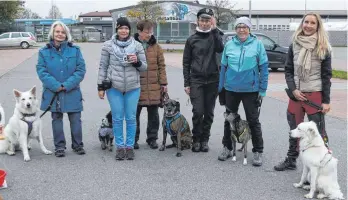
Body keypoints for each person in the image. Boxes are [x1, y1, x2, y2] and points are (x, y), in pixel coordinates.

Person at [274, 12, 332, 171]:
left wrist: (326, 101)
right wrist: (293, 89)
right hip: (296, 95)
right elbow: (288, 70)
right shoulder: (294, 44)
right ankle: (291, 159)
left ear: (318, 26)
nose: (308, 25)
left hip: (314, 94)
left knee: (318, 133)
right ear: (302, 23)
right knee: (295, 130)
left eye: (313, 23)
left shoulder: (324, 47)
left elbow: (327, 75)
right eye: (306, 22)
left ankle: (321, 165)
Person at [217, 17, 269, 167]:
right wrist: (221, 88)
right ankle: (226, 147)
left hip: (251, 89)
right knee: (229, 120)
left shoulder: (258, 44)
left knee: (253, 121)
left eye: (244, 26)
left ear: (249, 29)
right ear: (235, 29)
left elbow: (264, 69)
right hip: (231, 89)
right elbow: (223, 68)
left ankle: (258, 150)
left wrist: (263, 89)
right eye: (238, 26)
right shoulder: (229, 44)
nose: (241, 29)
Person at [97, 17, 147, 160]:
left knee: (131, 118)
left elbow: (144, 67)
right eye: (121, 28)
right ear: (117, 29)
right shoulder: (107, 46)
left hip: (133, 87)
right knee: (117, 118)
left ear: (129, 30)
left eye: (126, 28)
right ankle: (120, 147)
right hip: (114, 87)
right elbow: (103, 66)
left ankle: (129, 146)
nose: (123, 31)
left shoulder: (137, 46)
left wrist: (136, 62)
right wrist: (100, 86)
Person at [36, 21, 86, 157]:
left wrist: (67, 85)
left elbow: (80, 70)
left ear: (66, 34)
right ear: (52, 33)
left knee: (75, 119)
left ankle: (78, 145)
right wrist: (56, 85)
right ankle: (59, 146)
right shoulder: (43, 51)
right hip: (53, 92)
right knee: (56, 119)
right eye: (57, 31)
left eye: (63, 32)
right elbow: (41, 71)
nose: (60, 34)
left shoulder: (75, 50)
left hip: (72, 91)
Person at [183, 8, 224, 153]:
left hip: (213, 80)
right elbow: (186, 63)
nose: (205, 23)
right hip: (196, 80)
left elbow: (220, 49)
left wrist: (215, 30)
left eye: (208, 20)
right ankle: (197, 139)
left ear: (211, 21)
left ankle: (205, 139)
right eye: (203, 20)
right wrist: (187, 83)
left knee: (209, 112)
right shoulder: (191, 39)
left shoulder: (216, 35)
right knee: (198, 111)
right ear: (197, 21)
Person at [133, 20, 168, 150]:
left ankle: (152, 138)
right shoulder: (132, 45)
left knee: (153, 115)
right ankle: (134, 139)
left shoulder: (156, 47)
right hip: (136, 85)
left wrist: (163, 83)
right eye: (147, 32)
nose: (149, 34)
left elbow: (161, 67)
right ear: (139, 32)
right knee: (134, 115)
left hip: (154, 86)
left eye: (151, 31)